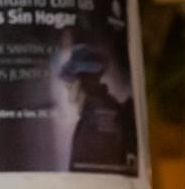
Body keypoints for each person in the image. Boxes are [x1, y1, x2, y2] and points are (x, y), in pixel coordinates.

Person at [59, 43, 137, 174]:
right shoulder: (105, 109)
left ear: (78, 83)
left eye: (68, 85)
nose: (67, 90)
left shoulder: (96, 118)